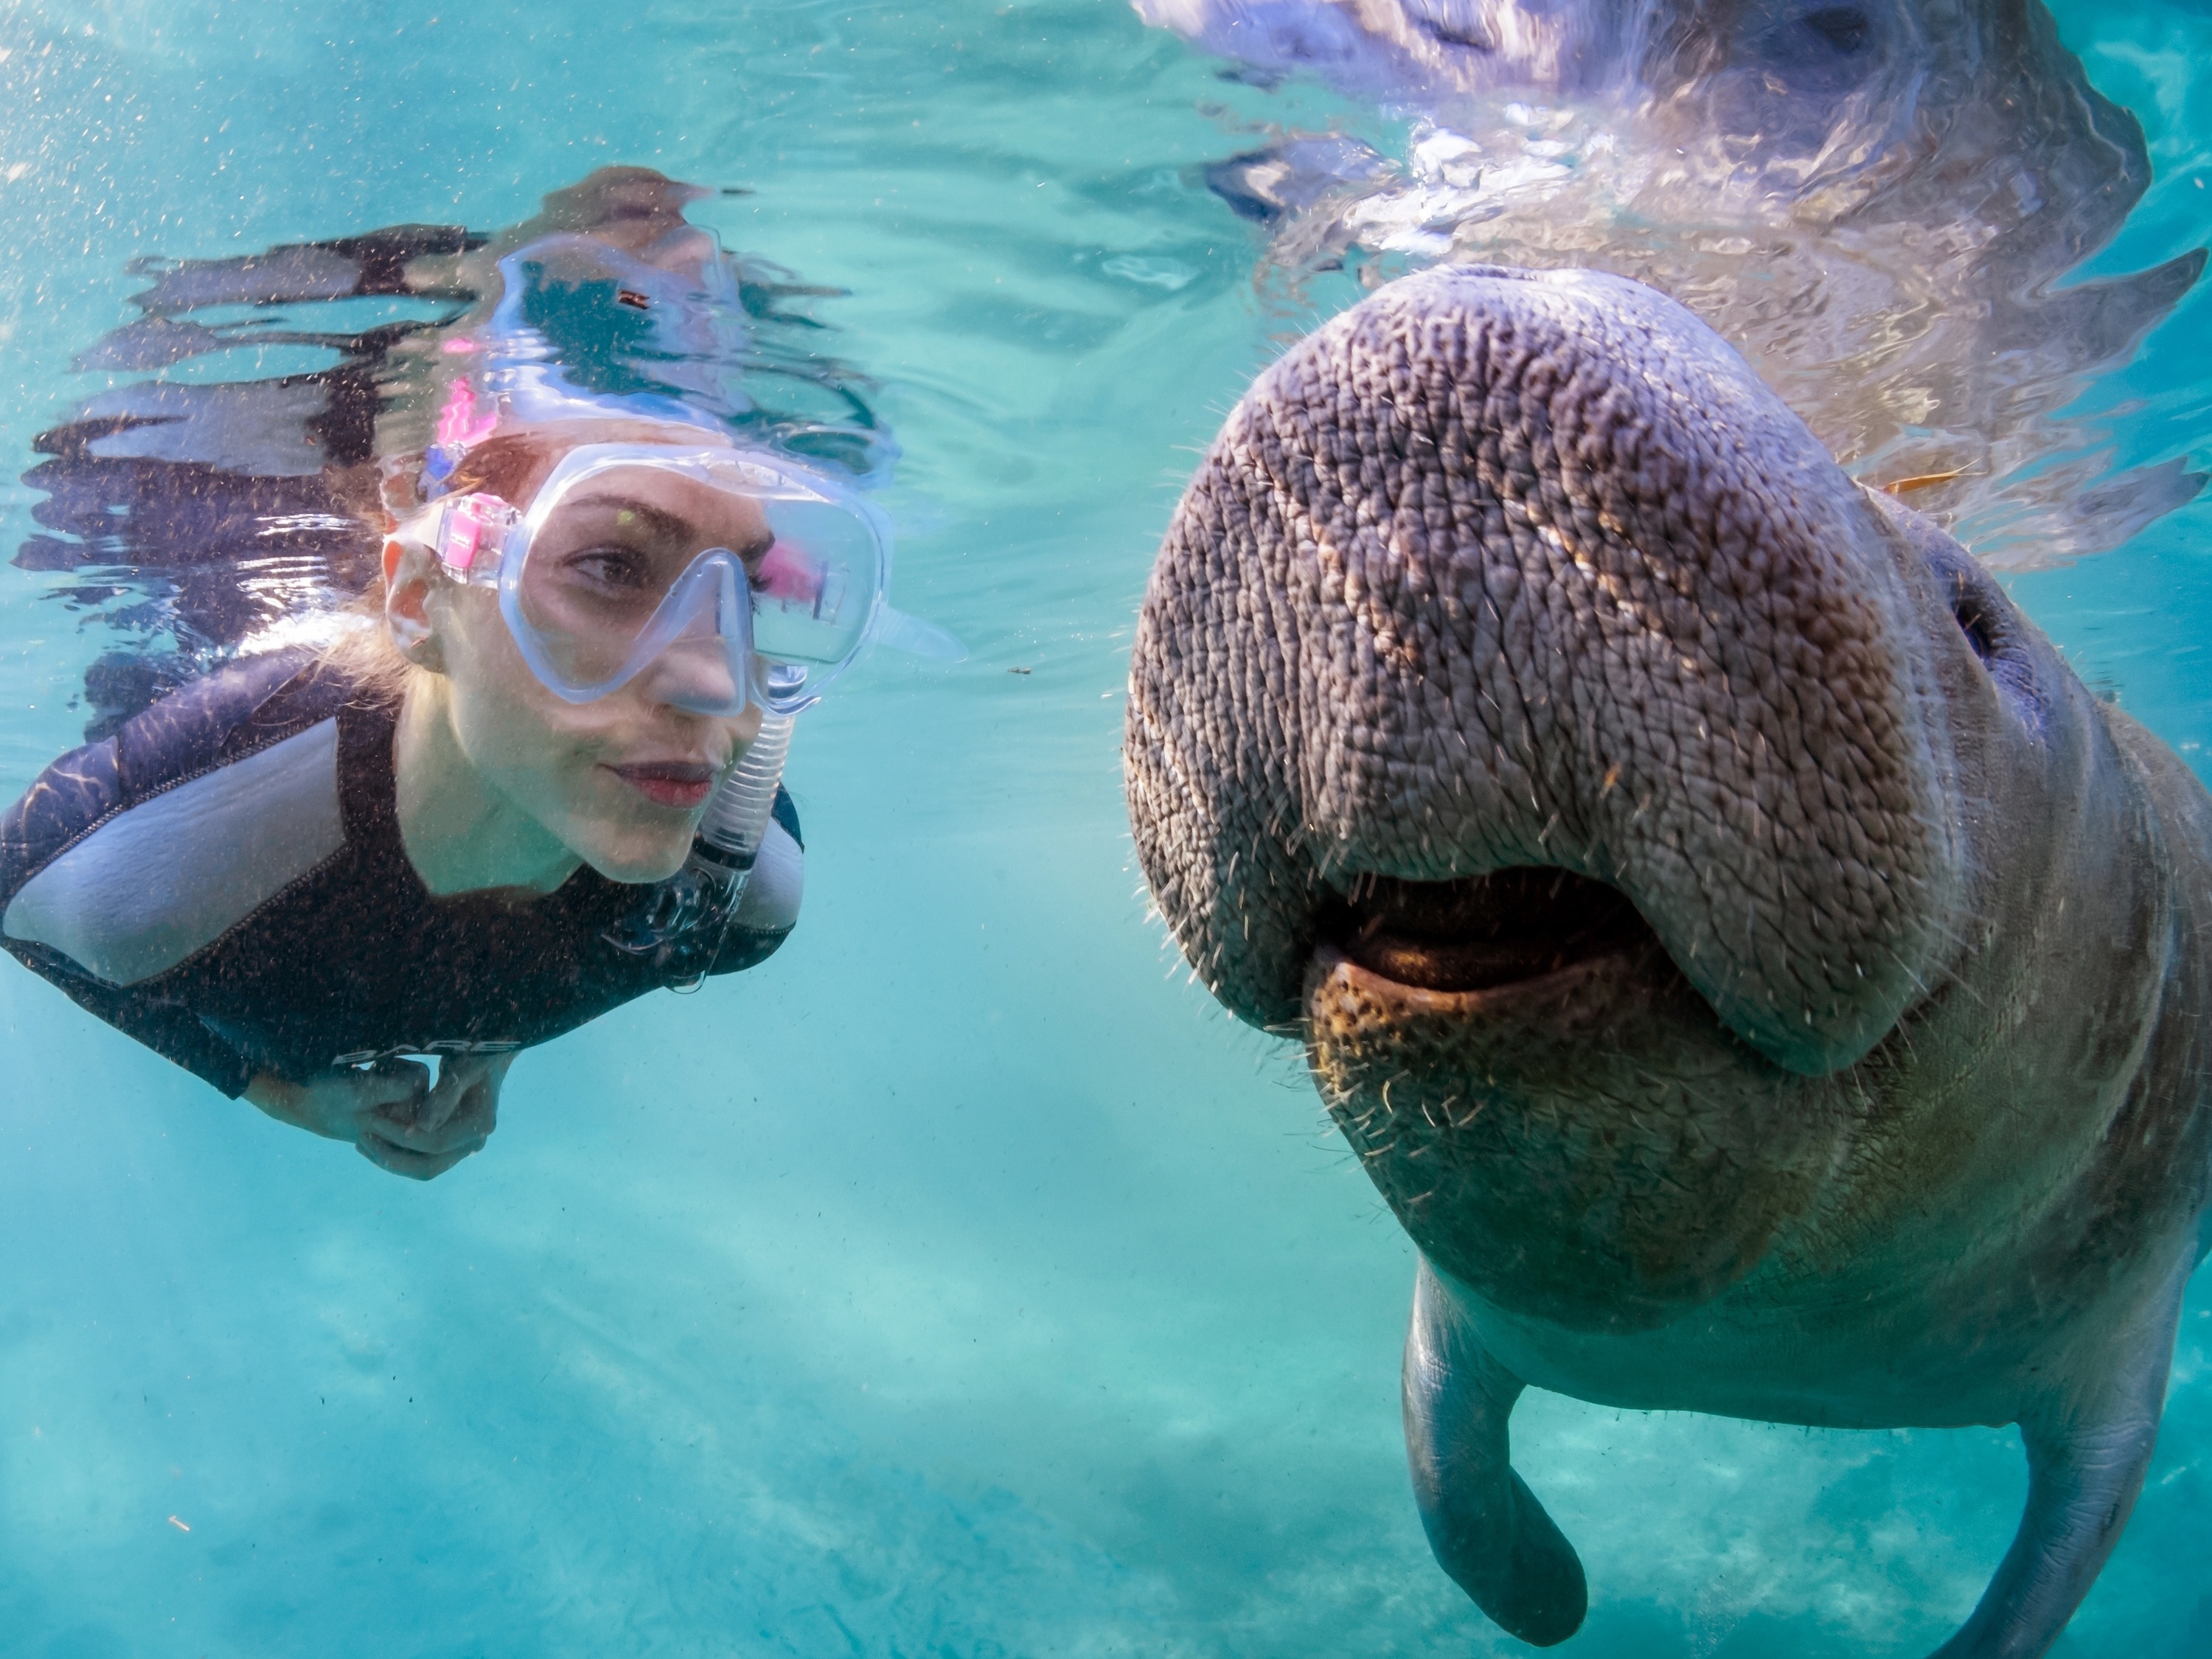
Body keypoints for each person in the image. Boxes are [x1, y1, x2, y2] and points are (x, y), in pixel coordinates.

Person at [0, 175, 951, 1180]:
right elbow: (26, 907)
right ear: (417, 600)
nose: (717, 683)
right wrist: (276, 1094)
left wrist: (495, 1020)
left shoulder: (738, 899)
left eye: (756, 587)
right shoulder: (167, 862)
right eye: (612, 566)